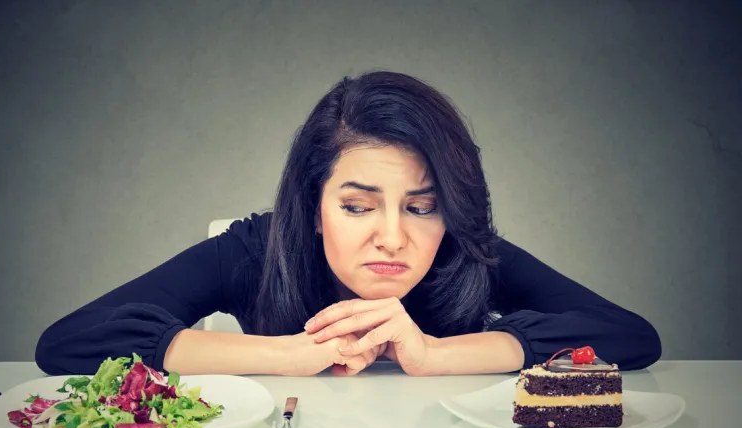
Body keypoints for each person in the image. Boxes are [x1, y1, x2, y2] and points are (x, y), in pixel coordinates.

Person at [35, 70, 662, 378]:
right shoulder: (253, 249)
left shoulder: (465, 252)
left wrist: (435, 354)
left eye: (422, 207)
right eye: (358, 206)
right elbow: (66, 343)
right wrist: (286, 354)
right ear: (312, 204)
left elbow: (631, 337)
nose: (393, 236)